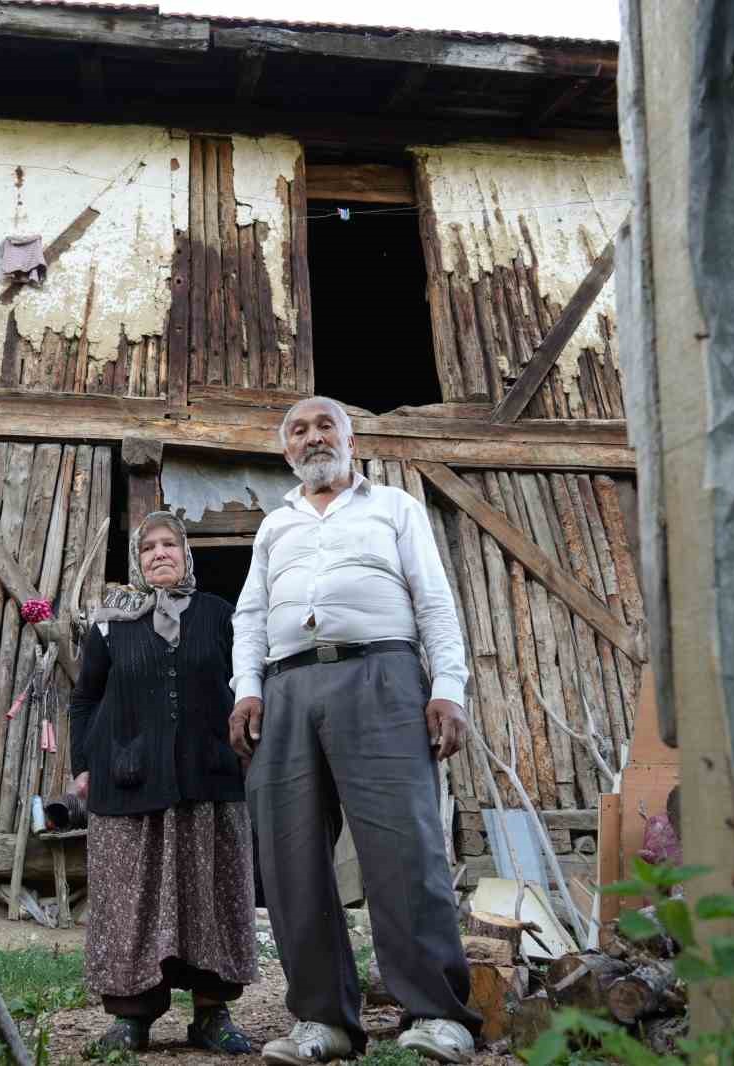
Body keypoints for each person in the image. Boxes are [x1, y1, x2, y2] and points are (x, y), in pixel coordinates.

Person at [230, 396, 483, 1065]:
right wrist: (247, 688)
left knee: (405, 847)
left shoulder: (394, 507)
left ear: (351, 438)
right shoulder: (272, 525)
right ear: (286, 450)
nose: (312, 438)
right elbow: (250, 614)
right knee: (291, 859)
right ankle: (324, 1021)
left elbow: (433, 598)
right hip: (286, 689)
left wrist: (448, 688)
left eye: (324, 427)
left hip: (382, 678)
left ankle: (435, 1013)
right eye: (298, 431)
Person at [68, 511, 258, 1054]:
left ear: (185, 553)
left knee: (210, 896)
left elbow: (246, 682)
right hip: (127, 781)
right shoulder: (111, 621)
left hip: (209, 778)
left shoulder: (220, 616)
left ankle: (211, 1013)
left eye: (168, 544)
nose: (158, 554)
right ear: (137, 559)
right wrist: (83, 764)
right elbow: (85, 699)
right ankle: (132, 1017)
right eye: (148, 546)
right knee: (132, 903)